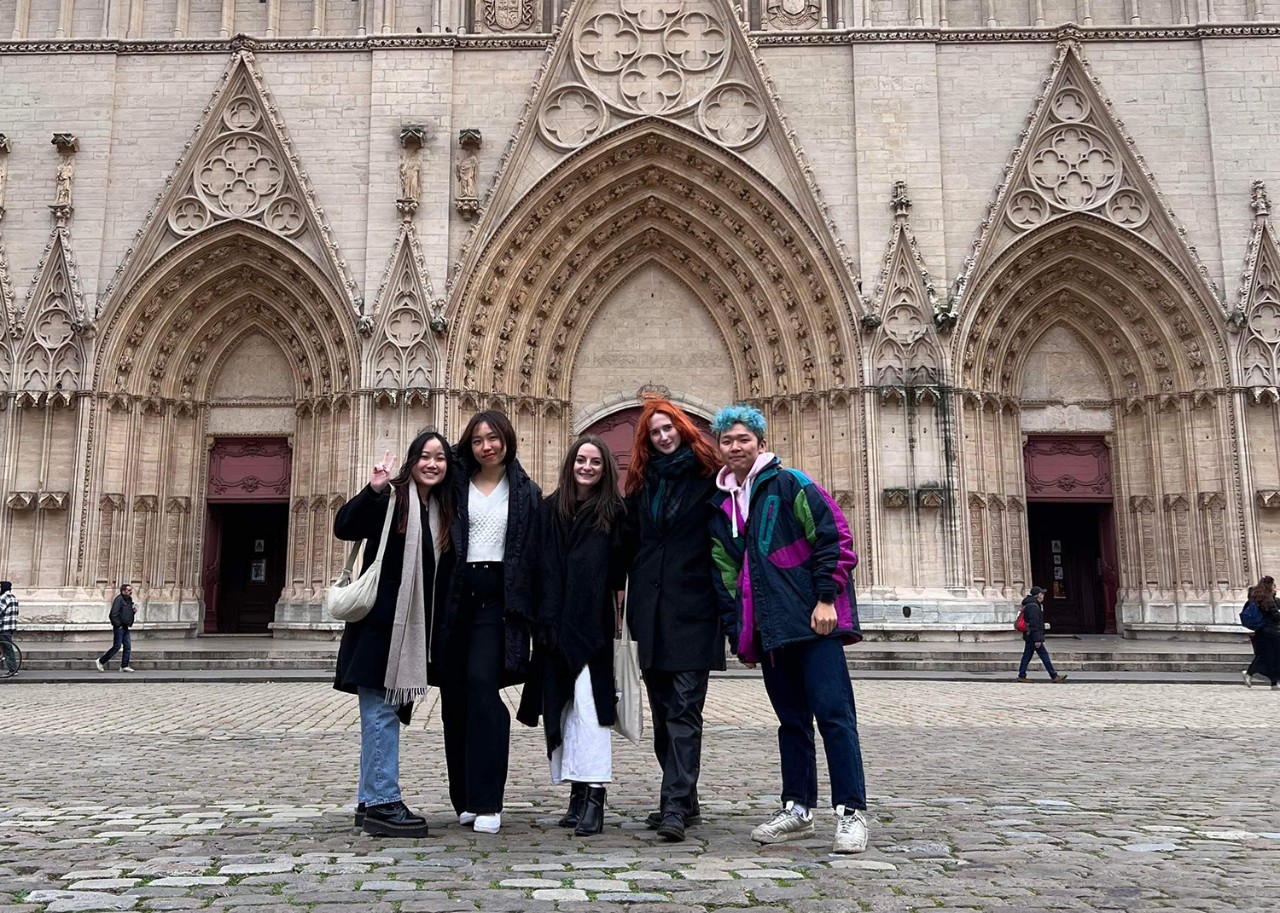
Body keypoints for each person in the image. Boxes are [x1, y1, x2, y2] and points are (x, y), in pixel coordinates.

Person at [707, 404, 869, 855]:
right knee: (791, 723)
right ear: (718, 448)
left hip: (813, 622)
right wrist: (740, 630)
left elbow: (835, 538)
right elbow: (725, 573)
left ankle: (851, 812)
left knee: (835, 718)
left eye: (743, 439)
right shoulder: (723, 507)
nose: (735, 447)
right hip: (770, 631)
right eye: (727, 440)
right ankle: (797, 808)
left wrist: (825, 599)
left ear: (760, 442)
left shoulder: (790, 483)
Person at [333, 430, 458, 838]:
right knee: (381, 715)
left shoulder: (439, 509)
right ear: (411, 460)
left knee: (380, 715)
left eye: (440, 457)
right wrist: (372, 489)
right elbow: (344, 527)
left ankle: (370, 800)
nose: (433, 464)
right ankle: (384, 803)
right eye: (425, 456)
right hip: (377, 630)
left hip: (405, 635)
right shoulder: (392, 498)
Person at [621, 397, 724, 842]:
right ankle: (687, 796)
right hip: (650, 613)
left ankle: (675, 806)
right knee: (664, 712)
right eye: (654, 432)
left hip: (694, 612)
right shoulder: (642, 487)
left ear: (683, 428)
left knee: (685, 708)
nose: (663, 436)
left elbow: (725, 545)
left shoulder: (710, 482)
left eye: (668, 428)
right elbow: (627, 547)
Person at [514, 436, 626, 836]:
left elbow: (619, 571)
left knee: (591, 711)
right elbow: (531, 563)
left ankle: (595, 794)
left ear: (606, 469)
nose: (587, 467)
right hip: (551, 627)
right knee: (563, 710)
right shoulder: (549, 510)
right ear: (570, 463)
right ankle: (578, 794)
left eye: (596, 461)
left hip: (590, 628)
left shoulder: (614, 512)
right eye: (581, 459)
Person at [438, 410, 540, 834]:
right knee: (453, 697)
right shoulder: (452, 484)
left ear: (507, 440)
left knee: (483, 686)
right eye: (478, 439)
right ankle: (463, 797)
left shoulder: (525, 491)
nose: (487, 446)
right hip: (456, 594)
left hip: (498, 599)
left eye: (493, 437)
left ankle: (488, 801)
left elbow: (536, 550)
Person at [1016, 587, 1067, 683]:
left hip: (1029, 635)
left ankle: (1022, 675)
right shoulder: (1034, 607)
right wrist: (1038, 639)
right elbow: (1035, 624)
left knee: (1027, 655)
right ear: (1039, 595)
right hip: (1033, 636)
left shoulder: (1029, 604)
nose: (1043, 596)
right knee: (1044, 655)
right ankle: (1054, 676)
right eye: (1042, 594)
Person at [1243, 576, 1280, 689]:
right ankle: (1249, 673)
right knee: (1270, 657)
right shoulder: (1268, 599)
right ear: (1270, 586)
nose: (1276, 588)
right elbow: (1276, 616)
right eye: (1274, 585)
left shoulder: (1257, 598)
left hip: (1261, 631)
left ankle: (1274, 682)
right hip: (1271, 632)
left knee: (1270, 657)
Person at [95, 584, 136, 673]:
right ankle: (101, 661)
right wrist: (118, 625)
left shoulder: (128, 600)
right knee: (117, 646)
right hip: (120, 627)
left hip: (125, 626)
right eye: (129, 590)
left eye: (131, 590)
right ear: (123, 591)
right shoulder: (119, 599)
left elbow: (125, 613)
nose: (130, 592)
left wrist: (133, 612)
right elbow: (113, 614)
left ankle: (124, 665)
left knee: (127, 646)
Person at [0, 581, 18, 675]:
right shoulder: (13, 597)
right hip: (11, 626)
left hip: (3, 627)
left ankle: (12, 669)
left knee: (7, 648)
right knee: (6, 647)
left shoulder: (4, 598)